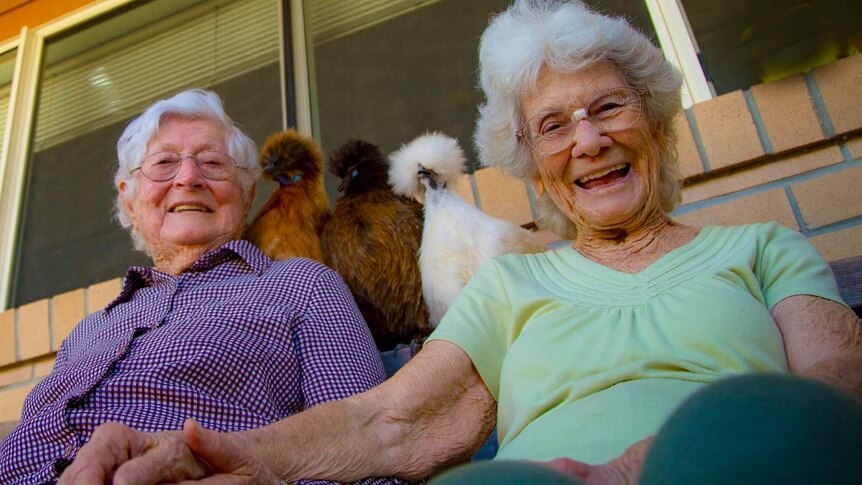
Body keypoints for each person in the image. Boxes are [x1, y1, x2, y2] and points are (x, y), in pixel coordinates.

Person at [59, 1, 862, 484]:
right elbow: (387, 421)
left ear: (654, 123)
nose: (586, 140)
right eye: (554, 125)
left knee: (755, 429)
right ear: (533, 166)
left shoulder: (759, 248)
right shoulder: (509, 286)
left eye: (609, 108)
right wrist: (231, 454)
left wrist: (648, 460)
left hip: (738, 460)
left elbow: (838, 380)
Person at [0, 89, 397, 484]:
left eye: (211, 162)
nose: (188, 178)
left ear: (247, 195)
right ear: (130, 201)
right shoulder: (86, 332)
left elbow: (370, 456)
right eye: (164, 163)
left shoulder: (301, 285)